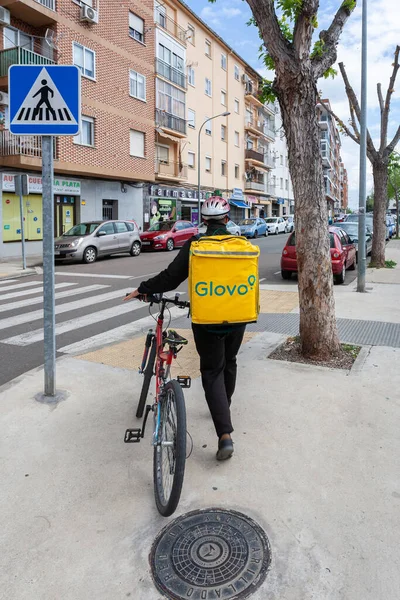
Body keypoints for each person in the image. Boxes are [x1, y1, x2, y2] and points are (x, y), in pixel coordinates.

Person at [124, 197, 246, 461]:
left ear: (204, 221)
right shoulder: (241, 244)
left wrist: (143, 289)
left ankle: (225, 435)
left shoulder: (196, 245)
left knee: (212, 371)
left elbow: (171, 277)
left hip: (206, 320)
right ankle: (224, 406)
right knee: (230, 361)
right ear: (227, 219)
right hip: (238, 316)